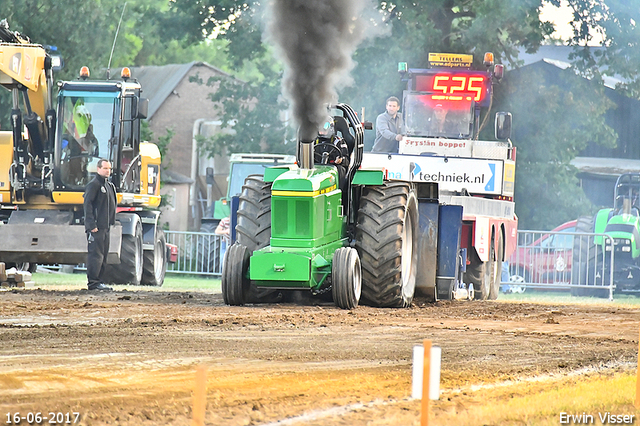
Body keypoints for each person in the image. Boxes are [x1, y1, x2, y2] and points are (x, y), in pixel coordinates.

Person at [83, 159, 117, 291]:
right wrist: (91, 224)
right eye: (105, 168)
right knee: (95, 255)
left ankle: (100, 281)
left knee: (103, 255)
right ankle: (93, 282)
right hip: (96, 227)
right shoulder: (94, 185)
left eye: (109, 168)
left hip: (105, 227)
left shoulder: (109, 186)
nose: (107, 171)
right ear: (98, 169)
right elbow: (88, 205)